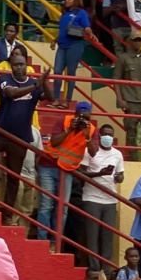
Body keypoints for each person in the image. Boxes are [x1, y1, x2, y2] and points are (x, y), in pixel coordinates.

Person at [0, 58, 51, 224]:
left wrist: (45, 83)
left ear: (26, 66)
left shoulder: (34, 83)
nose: (18, 67)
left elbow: (50, 98)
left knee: (14, 177)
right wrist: (37, 85)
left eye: (21, 64)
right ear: (11, 66)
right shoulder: (5, 79)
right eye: (15, 64)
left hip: (20, 137)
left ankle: (8, 214)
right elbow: (11, 93)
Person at [39, 102, 98, 248]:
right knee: (46, 205)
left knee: (62, 208)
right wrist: (70, 129)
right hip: (49, 165)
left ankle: (54, 242)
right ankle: (42, 240)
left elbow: (93, 152)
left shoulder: (91, 130)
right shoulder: (64, 121)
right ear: (75, 114)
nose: (83, 119)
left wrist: (87, 137)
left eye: (86, 116)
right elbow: (53, 141)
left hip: (67, 169)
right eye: (80, 115)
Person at [77, 123, 124, 271]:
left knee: (107, 237)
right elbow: (81, 173)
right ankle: (95, 269)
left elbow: (121, 175)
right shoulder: (90, 151)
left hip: (110, 200)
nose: (108, 137)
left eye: (110, 135)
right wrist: (99, 173)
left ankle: (106, 270)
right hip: (92, 199)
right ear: (99, 136)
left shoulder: (118, 154)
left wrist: (117, 177)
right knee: (92, 237)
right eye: (105, 134)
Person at [113, 29, 141, 161]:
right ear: (129, 42)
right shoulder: (123, 58)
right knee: (131, 132)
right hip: (130, 100)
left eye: (139, 40)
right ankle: (133, 161)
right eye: (134, 40)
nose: (137, 43)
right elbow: (116, 80)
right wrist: (120, 100)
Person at [50, 0, 95, 108]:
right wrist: (55, 41)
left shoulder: (81, 13)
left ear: (75, 0)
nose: (66, 1)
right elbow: (63, 32)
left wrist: (91, 34)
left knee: (70, 73)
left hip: (75, 45)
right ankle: (56, 99)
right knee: (57, 72)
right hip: (62, 45)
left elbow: (86, 26)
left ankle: (67, 100)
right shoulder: (64, 14)